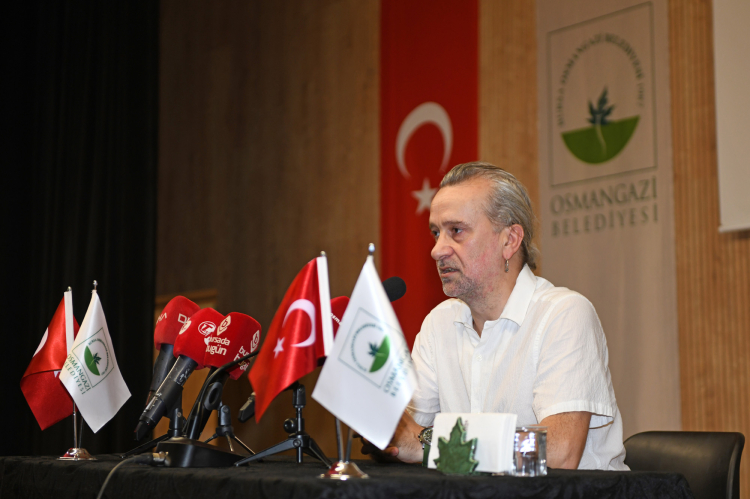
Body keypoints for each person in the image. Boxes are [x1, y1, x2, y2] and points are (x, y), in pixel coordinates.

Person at [363, 162, 627, 470]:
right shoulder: (439, 324)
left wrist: (432, 444)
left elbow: (558, 453)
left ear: (510, 240)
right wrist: (379, 422)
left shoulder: (563, 314)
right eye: (436, 233)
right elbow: (405, 436)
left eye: (456, 231)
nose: (437, 250)